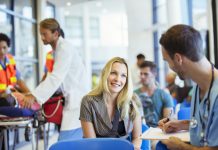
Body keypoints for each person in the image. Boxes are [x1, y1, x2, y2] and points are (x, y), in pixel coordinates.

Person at [22, 18, 89, 141]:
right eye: (40, 34)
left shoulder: (64, 49)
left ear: (56, 34)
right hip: (72, 99)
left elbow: (56, 77)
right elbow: (57, 78)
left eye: (44, 34)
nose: (41, 37)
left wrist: (34, 95)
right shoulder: (57, 50)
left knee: (65, 142)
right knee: (73, 141)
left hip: (77, 100)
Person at [158, 24, 218, 149]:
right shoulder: (198, 86)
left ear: (178, 59)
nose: (169, 67)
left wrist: (180, 146)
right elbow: (209, 125)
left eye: (167, 61)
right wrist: (182, 124)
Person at [79, 57, 142, 150]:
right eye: (113, 73)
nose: (118, 79)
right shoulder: (88, 102)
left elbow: (137, 137)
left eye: (123, 75)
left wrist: (135, 147)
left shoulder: (132, 101)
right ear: (105, 74)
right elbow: (91, 143)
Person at [135, 60, 174, 127]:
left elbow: (168, 121)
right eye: (141, 74)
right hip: (138, 131)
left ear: (154, 74)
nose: (142, 76)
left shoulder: (164, 95)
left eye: (146, 74)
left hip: (158, 132)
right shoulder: (133, 95)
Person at [0, 33, 30, 105]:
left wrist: (29, 94)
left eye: (4, 48)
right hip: (2, 97)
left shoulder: (10, 60)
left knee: (27, 98)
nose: (1, 51)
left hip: (11, 94)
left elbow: (19, 80)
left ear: (8, 47)